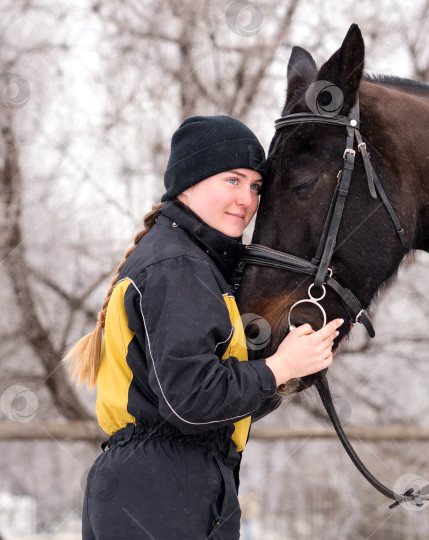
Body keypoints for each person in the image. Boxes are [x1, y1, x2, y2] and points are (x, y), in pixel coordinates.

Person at [64, 115, 344, 539]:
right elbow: (190, 400)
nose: (247, 200)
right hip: (162, 493)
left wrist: (290, 372)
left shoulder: (196, 265)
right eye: (232, 180)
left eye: (255, 186)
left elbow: (210, 406)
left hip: (173, 485)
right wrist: (277, 368)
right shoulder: (179, 266)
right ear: (188, 184)